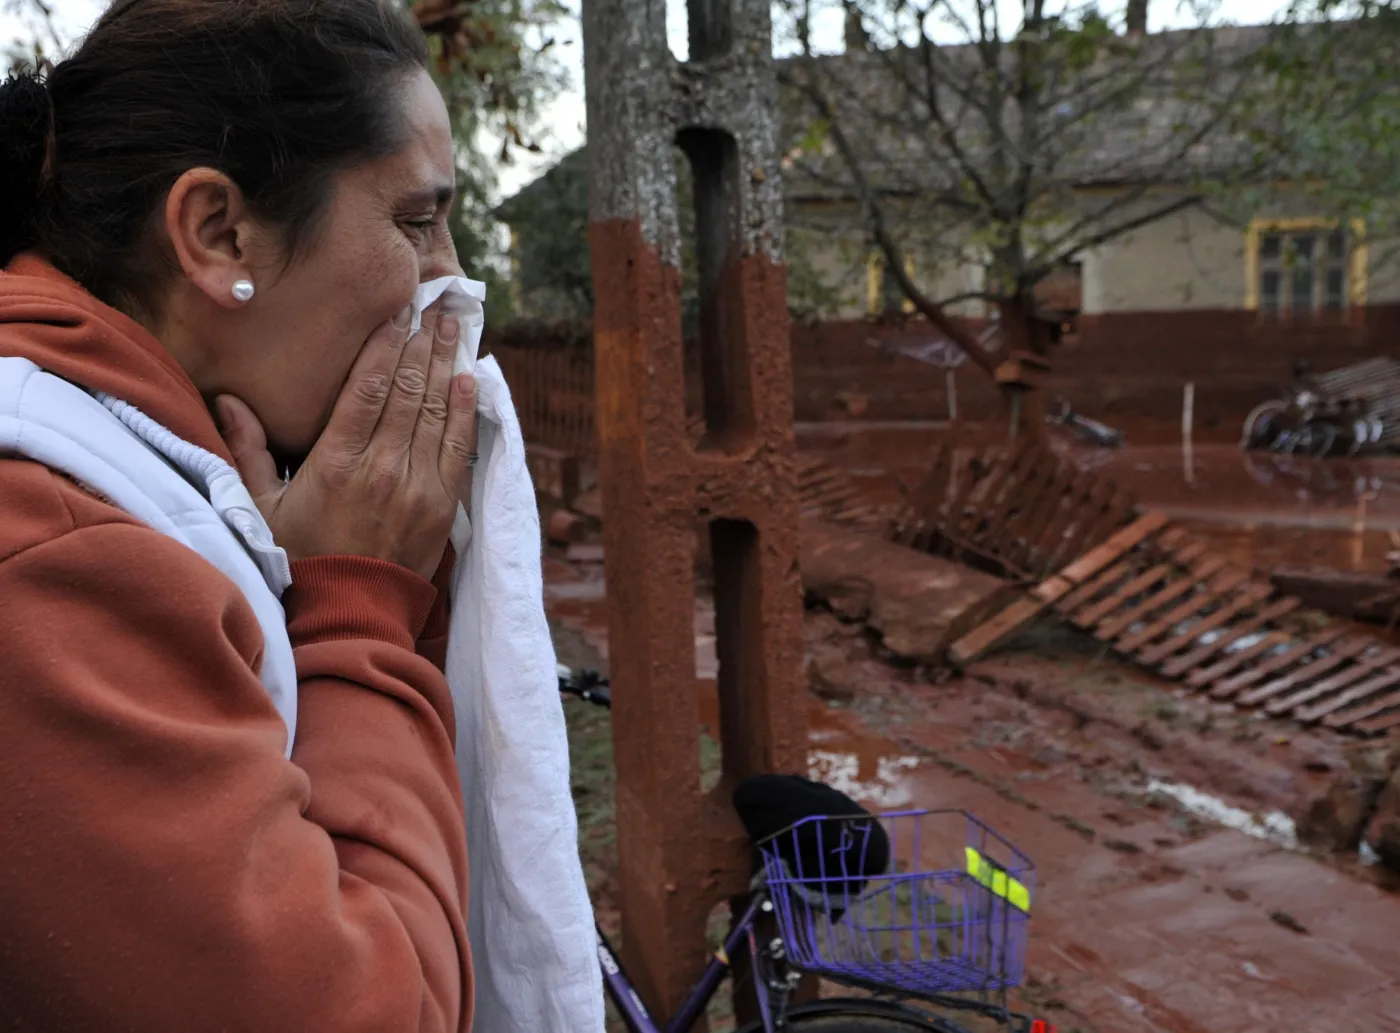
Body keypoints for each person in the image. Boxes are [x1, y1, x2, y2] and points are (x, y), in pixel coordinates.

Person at [0, 1, 480, 1029]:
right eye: (413, 220)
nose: (449, 275)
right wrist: (356, 609)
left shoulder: (122, 477)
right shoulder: (44, 545)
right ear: (218, 233)